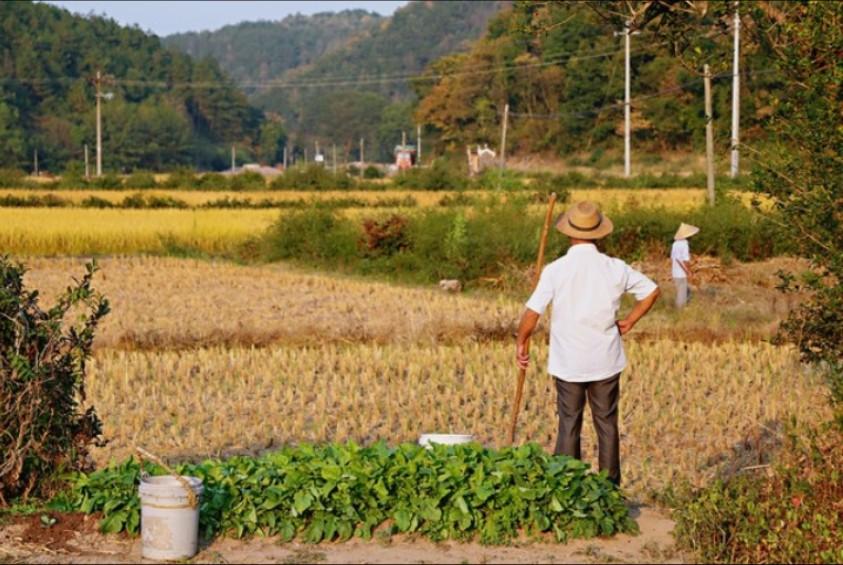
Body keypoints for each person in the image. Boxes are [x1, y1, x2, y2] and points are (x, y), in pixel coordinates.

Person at [515, 201, 660, 486]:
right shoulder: (615, 267)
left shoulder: (556, 270)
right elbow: (652, 291)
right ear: (599, 234)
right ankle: (609, 489)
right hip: (605, 359)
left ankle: (568, 487)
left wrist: (521, 342)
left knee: (569, 423)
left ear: (570, 233)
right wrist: (630, 320)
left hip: (569, 361)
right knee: (607, 424)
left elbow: (532, 314)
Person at [671, 223, 700, 309]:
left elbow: (673, 258)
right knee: (682, 292)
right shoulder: (684, 244)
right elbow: (685, 260)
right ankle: (680, 310)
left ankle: (679, 308)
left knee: (680, 289)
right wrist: (688, 271)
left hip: (675, 271)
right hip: (681, 272)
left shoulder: (675, 244)